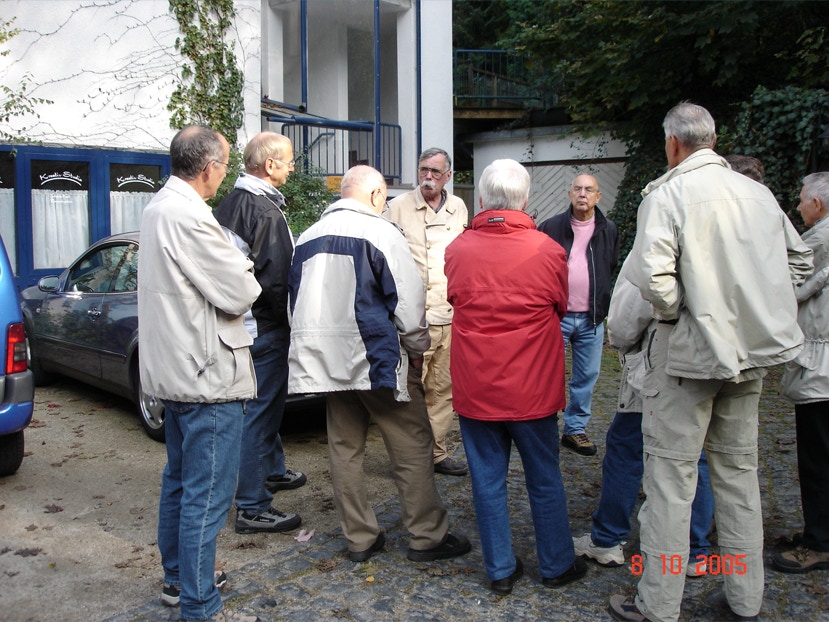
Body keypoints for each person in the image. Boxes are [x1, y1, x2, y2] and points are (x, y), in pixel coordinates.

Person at [609, 102, 813, 622]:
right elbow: (799, 260)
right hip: (748, 354)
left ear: (673, 144)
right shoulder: (759, 194)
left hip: (687, 357)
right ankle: (746, 598)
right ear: (714, 141)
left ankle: (658, 603)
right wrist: (756, 306)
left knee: (671, 481)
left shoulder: (666, 194)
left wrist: (686, 311)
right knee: (739, 476)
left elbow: (653, 279)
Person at [287, 164, 471, 564]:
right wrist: (417, 348)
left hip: (327, 362)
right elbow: (407, 302)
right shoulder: (381, 232)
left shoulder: (308, 236)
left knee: (344, 448)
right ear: (374, 196)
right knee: (412, 443)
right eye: (383, 198)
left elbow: (294, 304)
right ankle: (426, 535)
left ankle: (359, 537)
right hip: (377, 358)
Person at [445, 158, 587, 595]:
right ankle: (556, 564)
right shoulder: (548, 250)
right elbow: (561, 305)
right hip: (532, 387)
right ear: (525, 200)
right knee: (544, 476)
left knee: (487, 481)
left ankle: (500, 569)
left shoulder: (457, 249)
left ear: (481, 199)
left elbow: (454, 298)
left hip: (477, 386)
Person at [139, 125, 262, 622]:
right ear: (209, 168)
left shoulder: (157, 207)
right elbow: (241, 291)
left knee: (180, 481)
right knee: (206, 497)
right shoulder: (189, 216)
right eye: (225, 165)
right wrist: (243, 264)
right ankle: (200, 605)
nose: (225, 174)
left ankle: (179, 580)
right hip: (206, 374)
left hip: (178, 368)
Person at [573, 255, 714, 578]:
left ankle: (608, 538)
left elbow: (627, 316)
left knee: (626, 448)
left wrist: (622, 341)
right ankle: (695, 549)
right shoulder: (736, 237)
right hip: (713, 359)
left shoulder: (661, 239)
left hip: (661, 363)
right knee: (697, 452)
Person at [214, 132, 304, 536]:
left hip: (241, 325)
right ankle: (252, 505)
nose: (292, 168)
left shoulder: (231, 203)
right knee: (261, 411)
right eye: (288, 161)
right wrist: (292, 322)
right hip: (264, 326)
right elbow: (276, 280)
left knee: (264, 406)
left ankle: (272, 469)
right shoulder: (264, 211)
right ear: (269, 166)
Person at [385, 147, 469, 476]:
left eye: (435, 172)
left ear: (448, 176)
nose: (428, 177)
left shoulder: (458, 207)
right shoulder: (397, 207)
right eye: (423, 170)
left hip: (449, 315)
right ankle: (407, 457)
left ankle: (436, 453)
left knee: (442, 390)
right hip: (413, 319)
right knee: (408, 391)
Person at [538, 174, 619, 456]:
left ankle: (574, 430)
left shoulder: (608, 229)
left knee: (586, 377)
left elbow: (610, 266)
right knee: (548, 374)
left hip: (591, 318)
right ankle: (544, 426)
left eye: (589, 189)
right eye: (578, 189)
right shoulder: (550, 227)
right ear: (570, 194)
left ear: (598, 197)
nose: (583, 194)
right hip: (556, 316)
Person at [775, 172, 829, 574]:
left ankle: (820, 543)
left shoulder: (820, 240)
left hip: (821, 368)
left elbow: (788, 288)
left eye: (801, 200)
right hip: (820, 362)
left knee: (818, 458)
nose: (797, 206)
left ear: (818, 204)